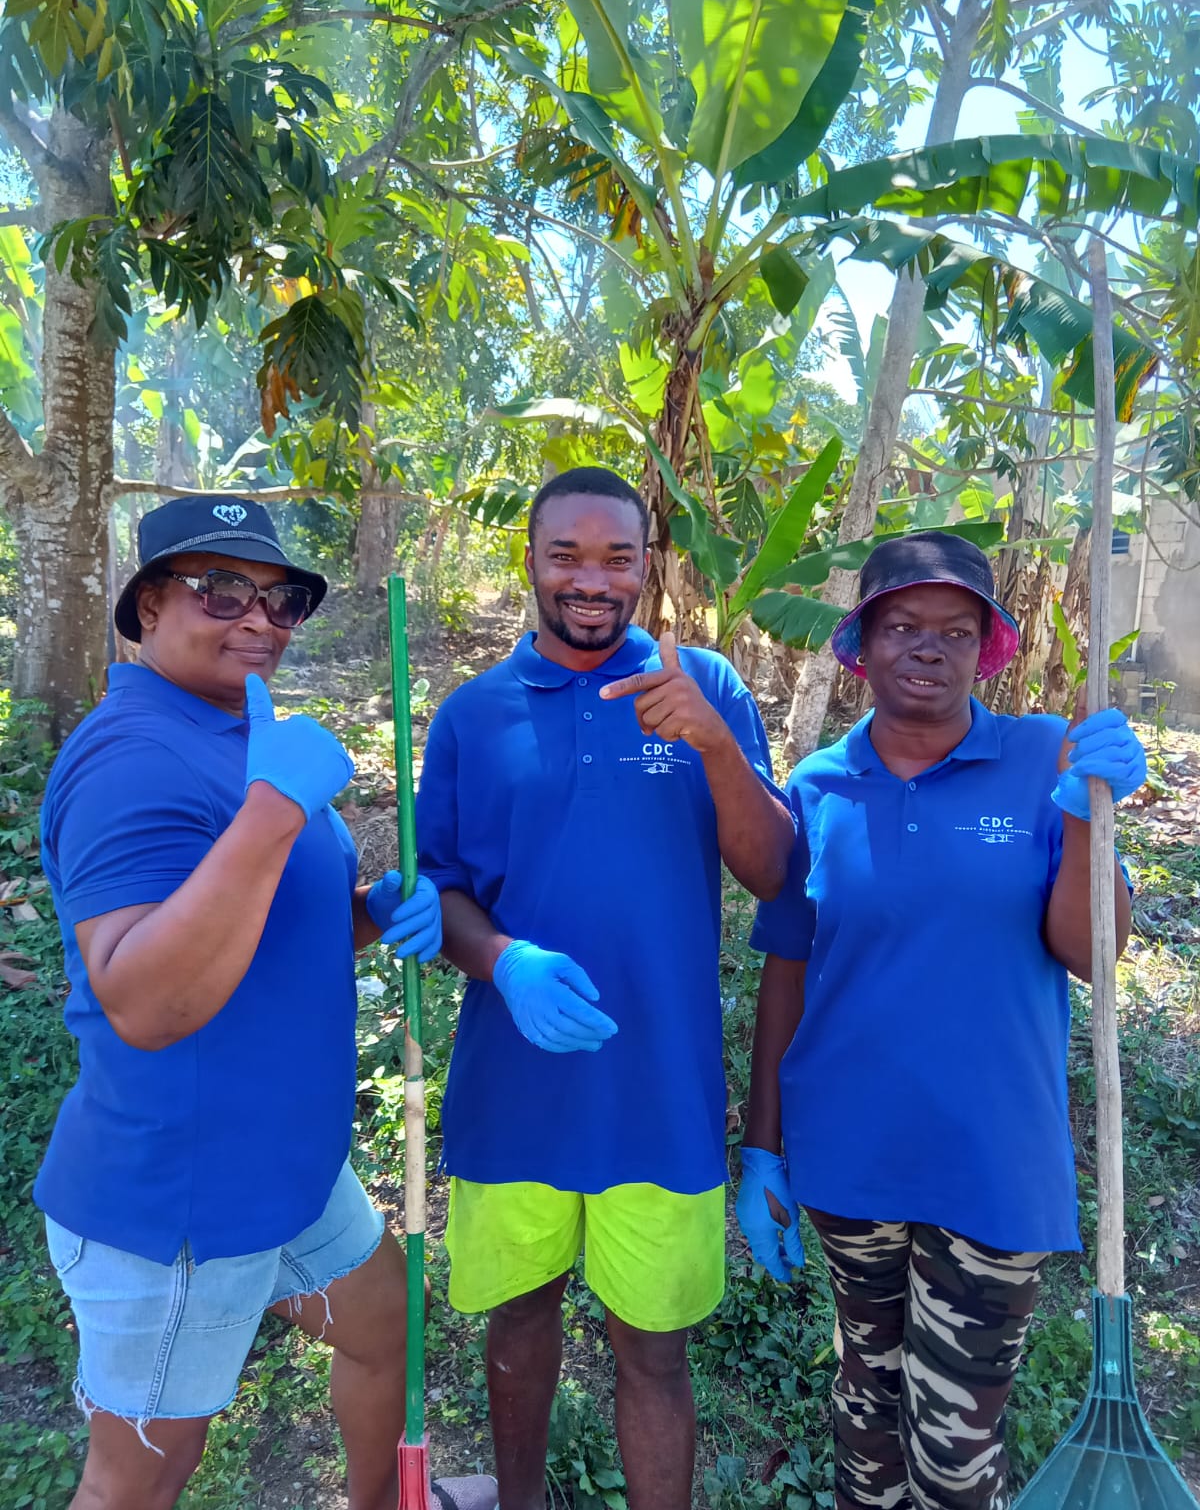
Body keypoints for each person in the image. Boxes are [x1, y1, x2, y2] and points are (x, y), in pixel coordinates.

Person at [35, 495, 466, 1510]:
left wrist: (371, 908)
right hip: (183, 1198)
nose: (259, 617)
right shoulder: (130, 758)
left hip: (287, 1169)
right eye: (220, 589)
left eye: (281, 600)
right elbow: (143, 997)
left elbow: (249, 920)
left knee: (382, 1326)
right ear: (146, 607)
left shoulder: (235, 732)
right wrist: (278, 808)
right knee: (138, 1479)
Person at [737, 530, 1147, 1510]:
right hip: (850, 1156)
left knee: (958, 1450)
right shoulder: (820, 788)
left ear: (985, 649)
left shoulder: (1047, 756)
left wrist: (1090, 812)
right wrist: (763, 1148)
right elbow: (788, 972)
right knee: (864, 1415)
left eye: (955, 630)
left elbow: (1089, 951)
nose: (928, 646)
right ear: (861, 645)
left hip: (993, 1162)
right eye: (903, 626)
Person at [414, 465, 796, 1510]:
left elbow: (774, 871)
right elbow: (439, 890)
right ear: (531, 562)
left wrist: (714, 744)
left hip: (656, 1093)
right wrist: (503, 959)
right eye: (566, 555)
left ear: (647, 567)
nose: (592, 579)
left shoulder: (704, 686)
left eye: (617, 557)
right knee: (519, 1321)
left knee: (655, 1354)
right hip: (514, 1088)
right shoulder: (473, 716)